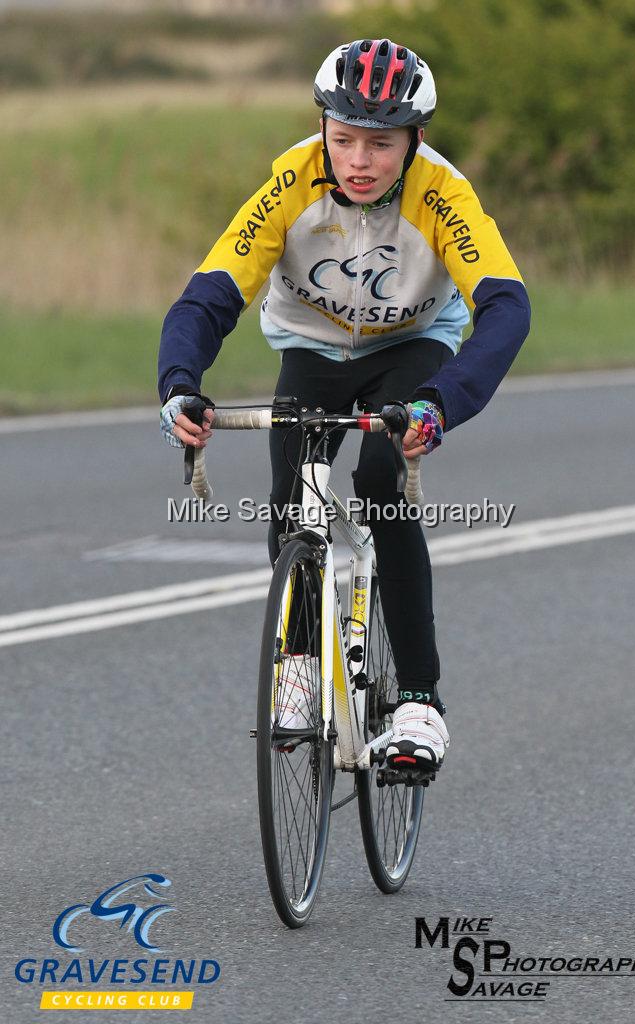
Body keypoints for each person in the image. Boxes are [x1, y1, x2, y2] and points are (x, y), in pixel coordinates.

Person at [158, 38, 531, 775]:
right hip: (313, 350)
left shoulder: (441, 193)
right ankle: (298, 667)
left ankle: (420, 701)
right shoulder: (291, 181)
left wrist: (439, 405)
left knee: (380, 485)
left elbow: (507, 308)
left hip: (412, 346)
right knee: (290, 496)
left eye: (381, 144)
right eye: (344, 139)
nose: (359, 160)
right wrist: (177, 384)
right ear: (322, 129)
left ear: (415, 140)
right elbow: (208, 294)